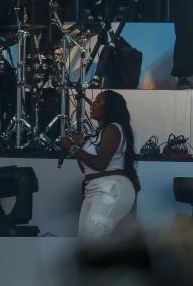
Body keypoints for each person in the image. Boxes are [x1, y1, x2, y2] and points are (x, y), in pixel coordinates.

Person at [60, 90, 140, 239]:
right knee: (85, 242)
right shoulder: (100, 133)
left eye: (98, 102)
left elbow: (101, 164)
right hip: (94, 189)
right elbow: (86, 168)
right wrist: (79, 145)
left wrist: (73, 147)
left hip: (111, 188)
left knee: (93, 241)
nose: (92, 105)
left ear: (110, 107)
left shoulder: (113, 129)